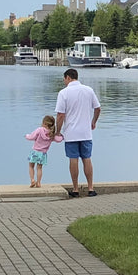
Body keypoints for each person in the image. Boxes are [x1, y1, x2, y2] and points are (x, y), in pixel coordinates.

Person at [53, 67, 101, 197]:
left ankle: (75, 189)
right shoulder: (88, 90)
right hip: (86, 132)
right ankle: (91, 188)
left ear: (68, 77)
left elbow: (60, 115)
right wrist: (94, 121)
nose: (64, 82)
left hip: (71, 133)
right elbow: (97, 108)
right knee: (87, 158)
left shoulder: (63, 93)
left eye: (64, 79)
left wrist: (57, 131)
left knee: (73, 159)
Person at [25, 114, 61, 187]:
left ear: (44, 123)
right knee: (39, 168)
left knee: (31, 166)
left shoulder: (39, 130)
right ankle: (38, 183)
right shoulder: (51, 134)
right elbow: (58, 140)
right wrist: (61, 136)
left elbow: (32, 137)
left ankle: (32, 180)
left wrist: (26, 136)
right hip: (43, 154)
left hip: (35, 151)